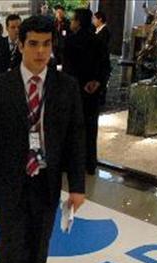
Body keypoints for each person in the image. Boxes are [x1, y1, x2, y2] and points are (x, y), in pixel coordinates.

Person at [0, 15, 85, 263]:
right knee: (10, 247)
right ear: (21, 44)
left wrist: (77, 186)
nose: (40, 51)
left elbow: (76, 139)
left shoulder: (66, 87)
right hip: (8, 183)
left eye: (46, 44)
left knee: (38, 247)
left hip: (46, 182)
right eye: (33, 44)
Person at [63, 8, 110, 175]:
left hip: (74, 92)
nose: (71, 22)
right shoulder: (98, 40)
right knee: (90, 128)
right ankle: (90, 163)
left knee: (72, 129)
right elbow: (105, 66)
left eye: (73, 19)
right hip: (92, 92)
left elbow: (69, 70)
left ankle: (71, 163)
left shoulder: (70, 41)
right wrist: (97, 82)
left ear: (78, 21)